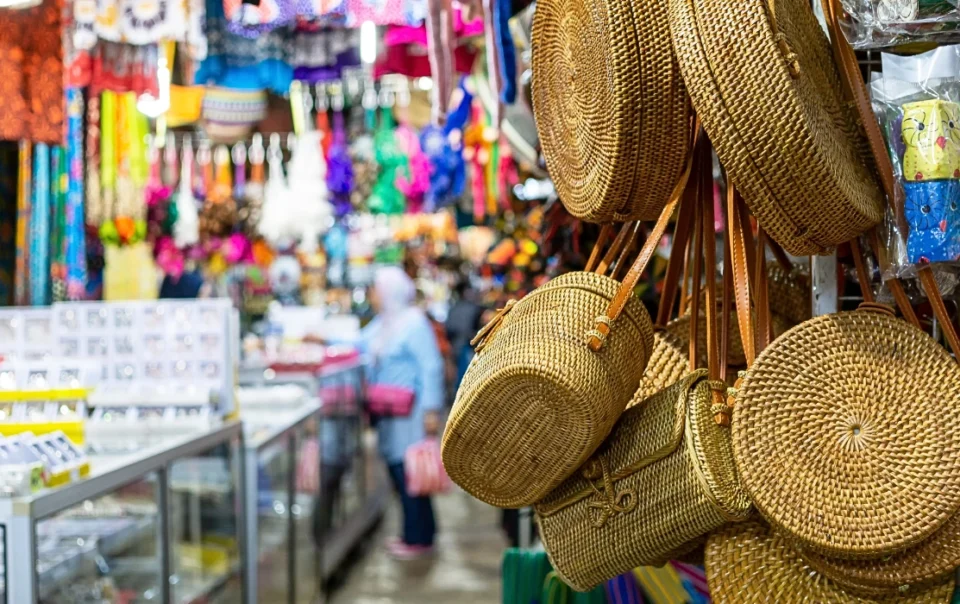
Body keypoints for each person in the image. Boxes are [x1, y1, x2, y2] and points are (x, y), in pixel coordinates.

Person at [363, 266, 444, 558]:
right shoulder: (385, 323)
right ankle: (419, 533)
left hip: (412, 414)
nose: (371, 295)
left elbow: (430, 366)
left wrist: (431, 411)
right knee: (402, 473)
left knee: (411, 474)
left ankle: (418, 538)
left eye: (375, 289)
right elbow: (358, 344)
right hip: (389, 413)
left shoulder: (413, 323)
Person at [445, 278, 484, 394]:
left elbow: (448, 329)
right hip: (467, 347)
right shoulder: (474, 308)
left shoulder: (453, 309)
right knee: (466, 378)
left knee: (460, 378)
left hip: (456, 347)